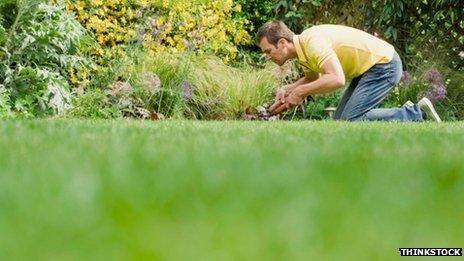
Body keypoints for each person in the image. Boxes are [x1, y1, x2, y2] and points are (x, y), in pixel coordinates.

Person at [256, 20, 441, 122]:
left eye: (268, 51)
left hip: (385, 65)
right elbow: (313, 77)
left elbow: (336, 79)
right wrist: (289, 89)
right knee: (340, 121)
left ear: (282, 43)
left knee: (353, 119)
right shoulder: (303, 48)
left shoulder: (313, 43)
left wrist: (300, 91)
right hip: (369, 69)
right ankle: (411, 112)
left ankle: (416, 112)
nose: (268, 56)